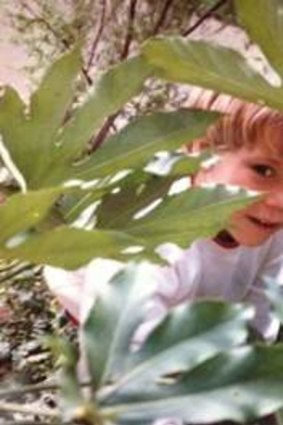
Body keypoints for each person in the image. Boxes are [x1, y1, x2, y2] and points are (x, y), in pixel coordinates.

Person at [44, 89, 283, 343]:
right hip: (101, 308)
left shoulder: (269, 228)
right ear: (203, 154)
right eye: (263, 171)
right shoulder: (154, 239)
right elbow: (127, 341)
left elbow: (258, 313)